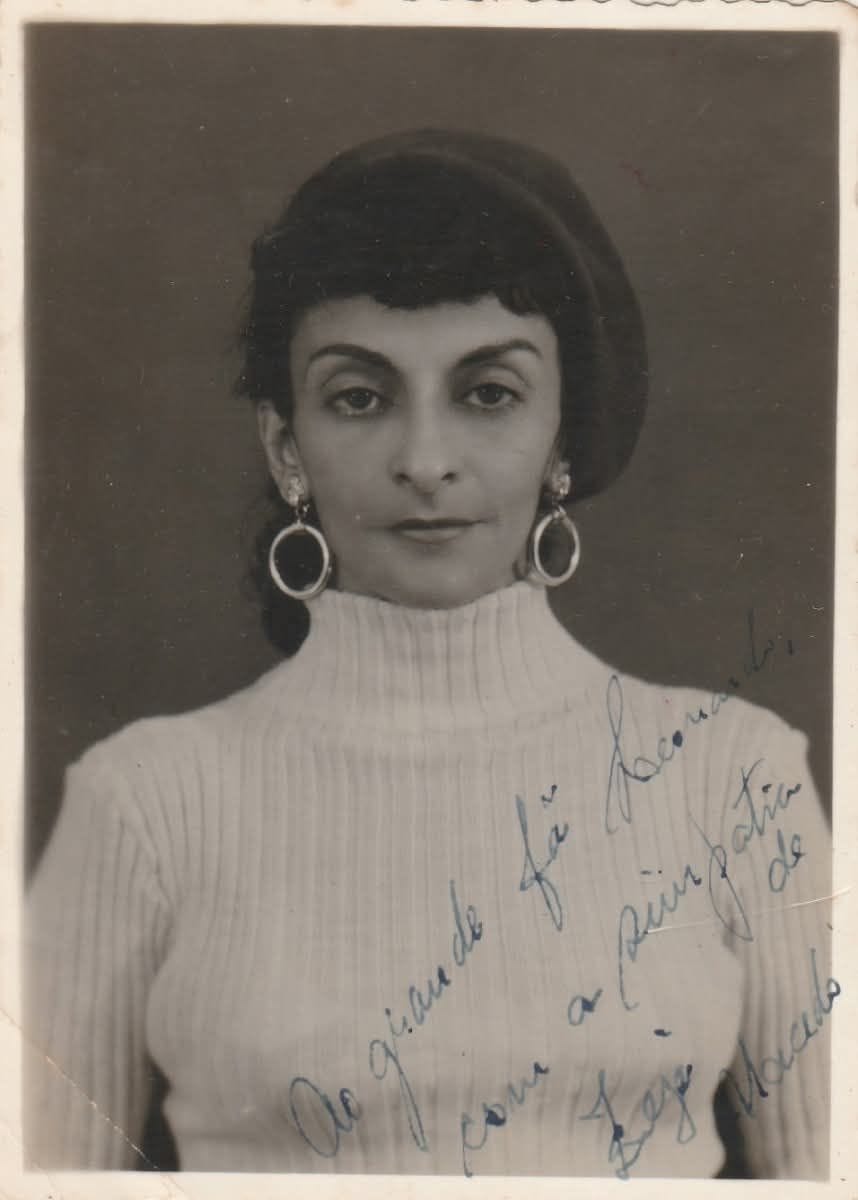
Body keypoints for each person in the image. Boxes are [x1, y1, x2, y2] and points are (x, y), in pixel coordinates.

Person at [24, 129, 834, 1179]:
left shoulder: (733, 779)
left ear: (563, 439)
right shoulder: (145, 806)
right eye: (360, 398)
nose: (424, 461)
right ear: (285, 446)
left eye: (488, 393)